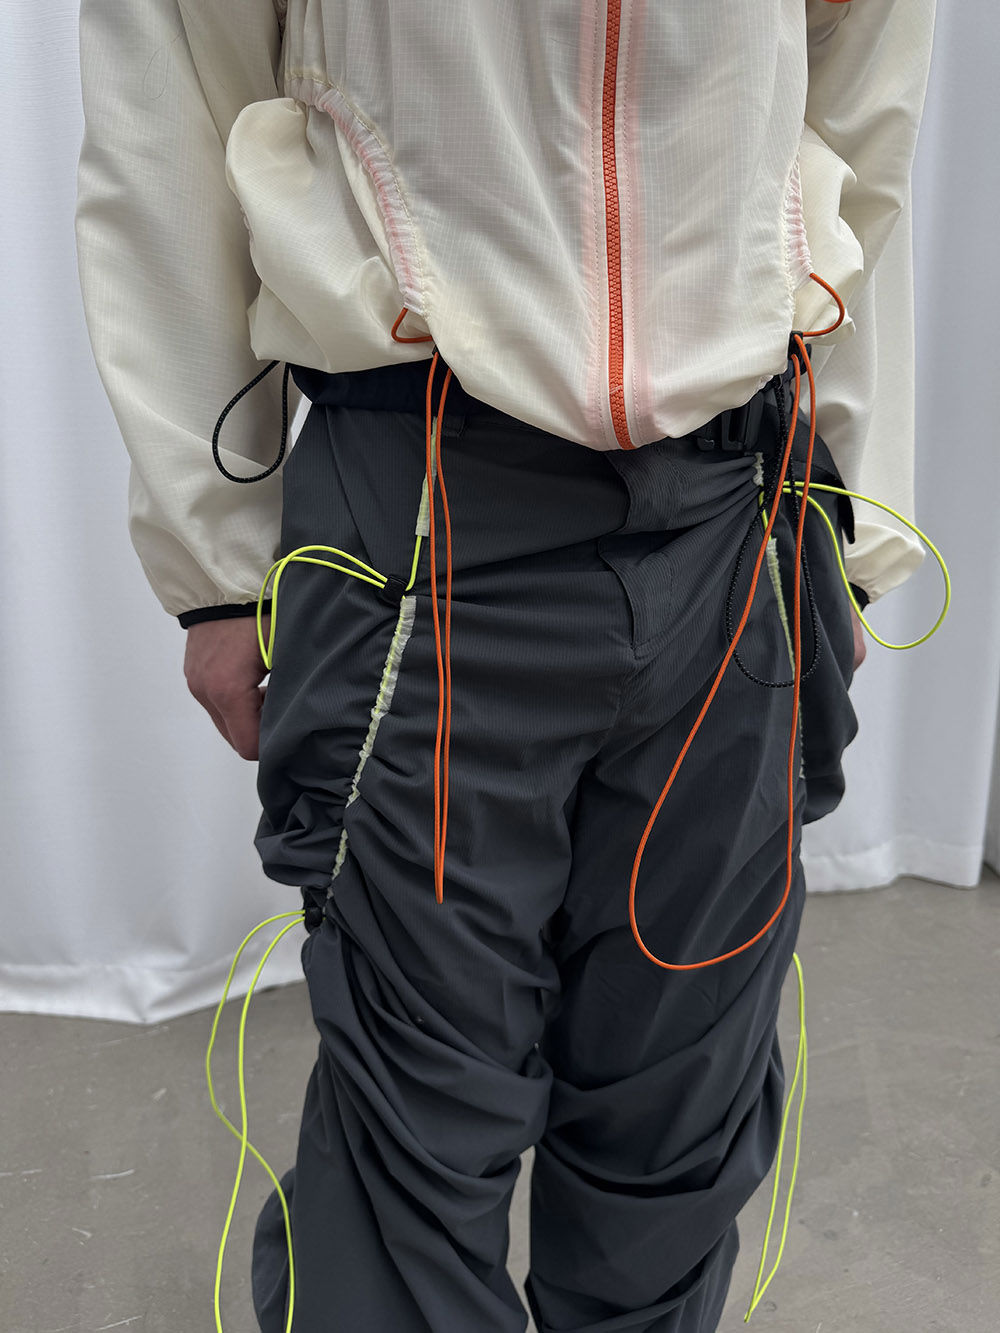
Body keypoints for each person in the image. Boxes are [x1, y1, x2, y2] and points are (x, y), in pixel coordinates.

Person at [75, 2, 936, 1329]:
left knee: (680, 1117)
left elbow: (861, 92)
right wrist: (215, 556)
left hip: (738, 505)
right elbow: (172, 83)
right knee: (412, 1136)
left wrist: (849, 514)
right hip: (423, 502)